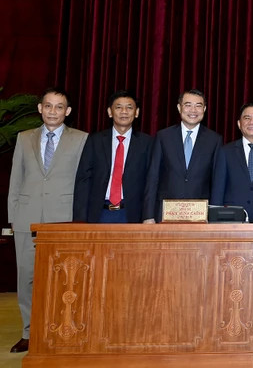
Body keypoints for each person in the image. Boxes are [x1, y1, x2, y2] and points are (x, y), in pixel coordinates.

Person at [7, 88, 88, 353]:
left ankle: (62, 329)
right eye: (49, 106)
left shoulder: (82, 140)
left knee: (65, 280)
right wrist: (13, 217)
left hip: (63, 219)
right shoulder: (23, 138)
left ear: (68, 111)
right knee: (27, 278)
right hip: (26, 220)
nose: (53, 111)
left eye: (59, 107)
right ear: (40, 108)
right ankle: (29, 333)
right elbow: (15, 181)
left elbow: (84, 182)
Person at [73, 90, 153, 223]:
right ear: (110, 112)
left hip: (132, 215)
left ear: (137, 112)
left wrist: (149, 216)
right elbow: (83, 180)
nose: (124, 111)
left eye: (129, 107)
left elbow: (151, 182)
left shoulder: (147, 143)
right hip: (99, 214)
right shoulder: (95, 141)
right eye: (118, 107)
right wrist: (80, 218)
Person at [143, 89, 223, 222]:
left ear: (204, 109)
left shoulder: (214, 140)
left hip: (201, 216)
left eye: (198, 106)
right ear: (179, 108)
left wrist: (214, 216)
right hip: (165, 214)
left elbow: (217, 182)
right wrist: (148, 215)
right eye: (188, 105)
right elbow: (153, 177)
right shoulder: (164, 137)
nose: (193, 110)